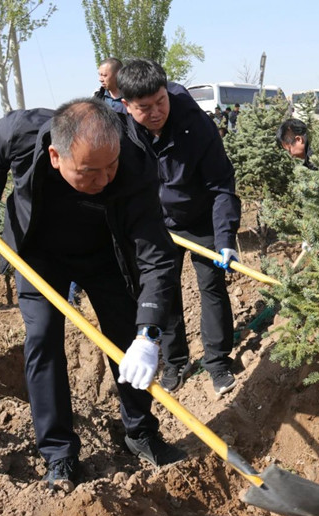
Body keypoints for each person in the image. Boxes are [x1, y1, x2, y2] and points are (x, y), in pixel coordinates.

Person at [0, 98, 186, 490]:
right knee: (43, 340)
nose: (104, 180)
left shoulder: (133, 163)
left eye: (110, 167)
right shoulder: (22, 132)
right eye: (89, 172)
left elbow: (156, 256)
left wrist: (148, 333)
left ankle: (141, 431)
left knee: (124, 334)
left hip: (105, 252)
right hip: (38, 253)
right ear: (55, 156)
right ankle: (59, 454)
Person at [117, 58, 241, 396]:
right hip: (156, 223)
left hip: (200, 218)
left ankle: (217, 362)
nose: (156, 112)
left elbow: (221, 185)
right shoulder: (121, 131)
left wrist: (225, 237)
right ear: (126, 105)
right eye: (145, 107)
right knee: (164, 291)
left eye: (161, 101)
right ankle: (175, 361)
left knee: (211, 286)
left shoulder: (196, 125)